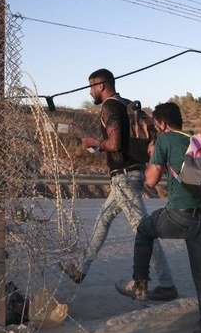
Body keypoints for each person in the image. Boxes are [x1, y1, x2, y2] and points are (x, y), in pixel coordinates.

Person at [59, 69, 177, 302]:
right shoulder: (126, 104)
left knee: (144, 230)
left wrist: (94, 142)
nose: (91, 92)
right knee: (103, 219)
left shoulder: (110, 107)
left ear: (101, 86)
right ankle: (81, 270)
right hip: (130, 173)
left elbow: (113, 143)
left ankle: (167, 283)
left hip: (124, 176)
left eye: (91, 87)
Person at [117, 102, 201, 333]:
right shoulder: (199, 141)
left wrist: (154, 154)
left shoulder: (165, 140)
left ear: (161, 124)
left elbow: (151, 181)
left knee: (144, 230)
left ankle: (139, 284)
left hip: (180, 216)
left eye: (156, 125)